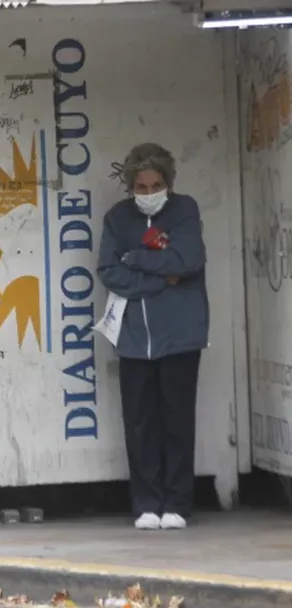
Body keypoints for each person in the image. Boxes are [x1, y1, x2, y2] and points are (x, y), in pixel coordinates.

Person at [97, 143, 208, 531]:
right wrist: (161, 281)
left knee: (177, 420)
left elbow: (189, 260)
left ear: (169, 183)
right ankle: (146, 503)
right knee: (140, 422)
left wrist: (136, 260)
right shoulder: (117, 219)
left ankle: (177, 503)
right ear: (130, 187)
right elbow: (109, 271)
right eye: (141, 187)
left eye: (155, 184)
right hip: (133, 339)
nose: (148, 193)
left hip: (180, 336)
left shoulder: (185, 210)